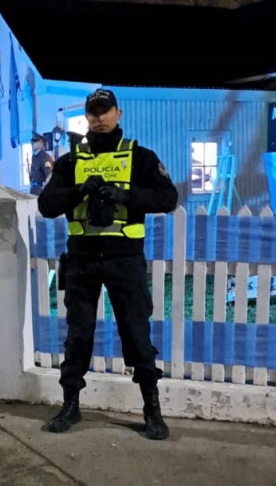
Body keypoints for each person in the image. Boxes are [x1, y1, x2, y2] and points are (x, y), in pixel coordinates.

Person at [37, 88, 178, 440]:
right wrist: (79, 191)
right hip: (82, 261)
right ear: (86, 117)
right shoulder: (71, 162)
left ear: (117, 113)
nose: (99, 118)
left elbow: (168, 197)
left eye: (105, 111)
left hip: (124, 260)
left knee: (136, 335)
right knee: (78, 336)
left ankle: (152, 410)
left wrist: (126, 196)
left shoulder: (140, 157)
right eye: (93, 112)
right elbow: (46, 205)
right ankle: (70, 405)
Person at [28, 132, 53, 196]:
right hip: (33, 190)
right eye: (32, 142)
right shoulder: (34, 157)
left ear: (41, 143)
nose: (32, 144)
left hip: (41, 191)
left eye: (35, 142)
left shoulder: (45, 158)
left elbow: (50, 175)